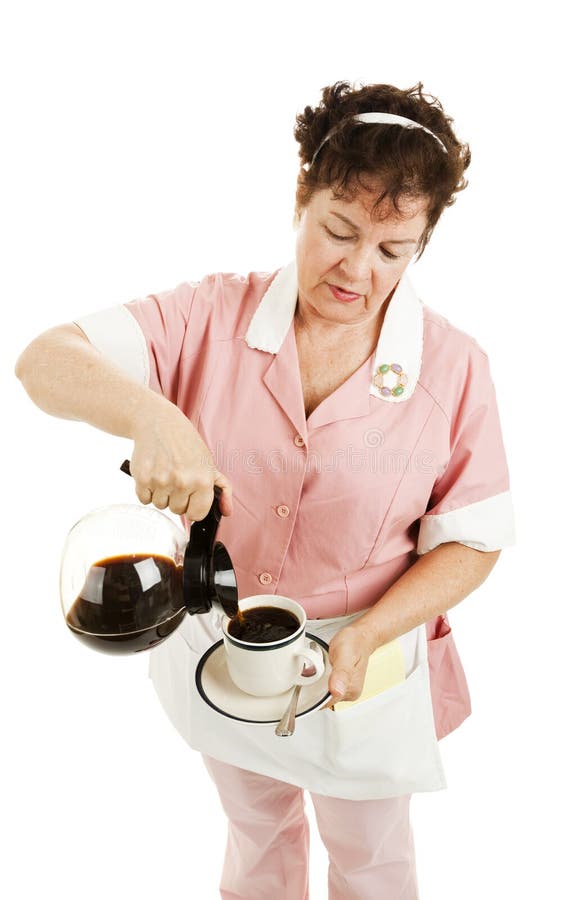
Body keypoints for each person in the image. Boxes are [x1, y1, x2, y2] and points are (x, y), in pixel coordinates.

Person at [15, 81, 515, 899]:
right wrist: (154, 418)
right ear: (301, 200)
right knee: (257, 830)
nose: (358, 269)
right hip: (224, 646)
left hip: (361, 657)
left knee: (370, 854)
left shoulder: (454, 368)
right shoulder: (209, 315)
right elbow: (42, 360)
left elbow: (472, 539)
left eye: (394, 250)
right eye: (340, 231)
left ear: (422, 244)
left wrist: (370, 633)